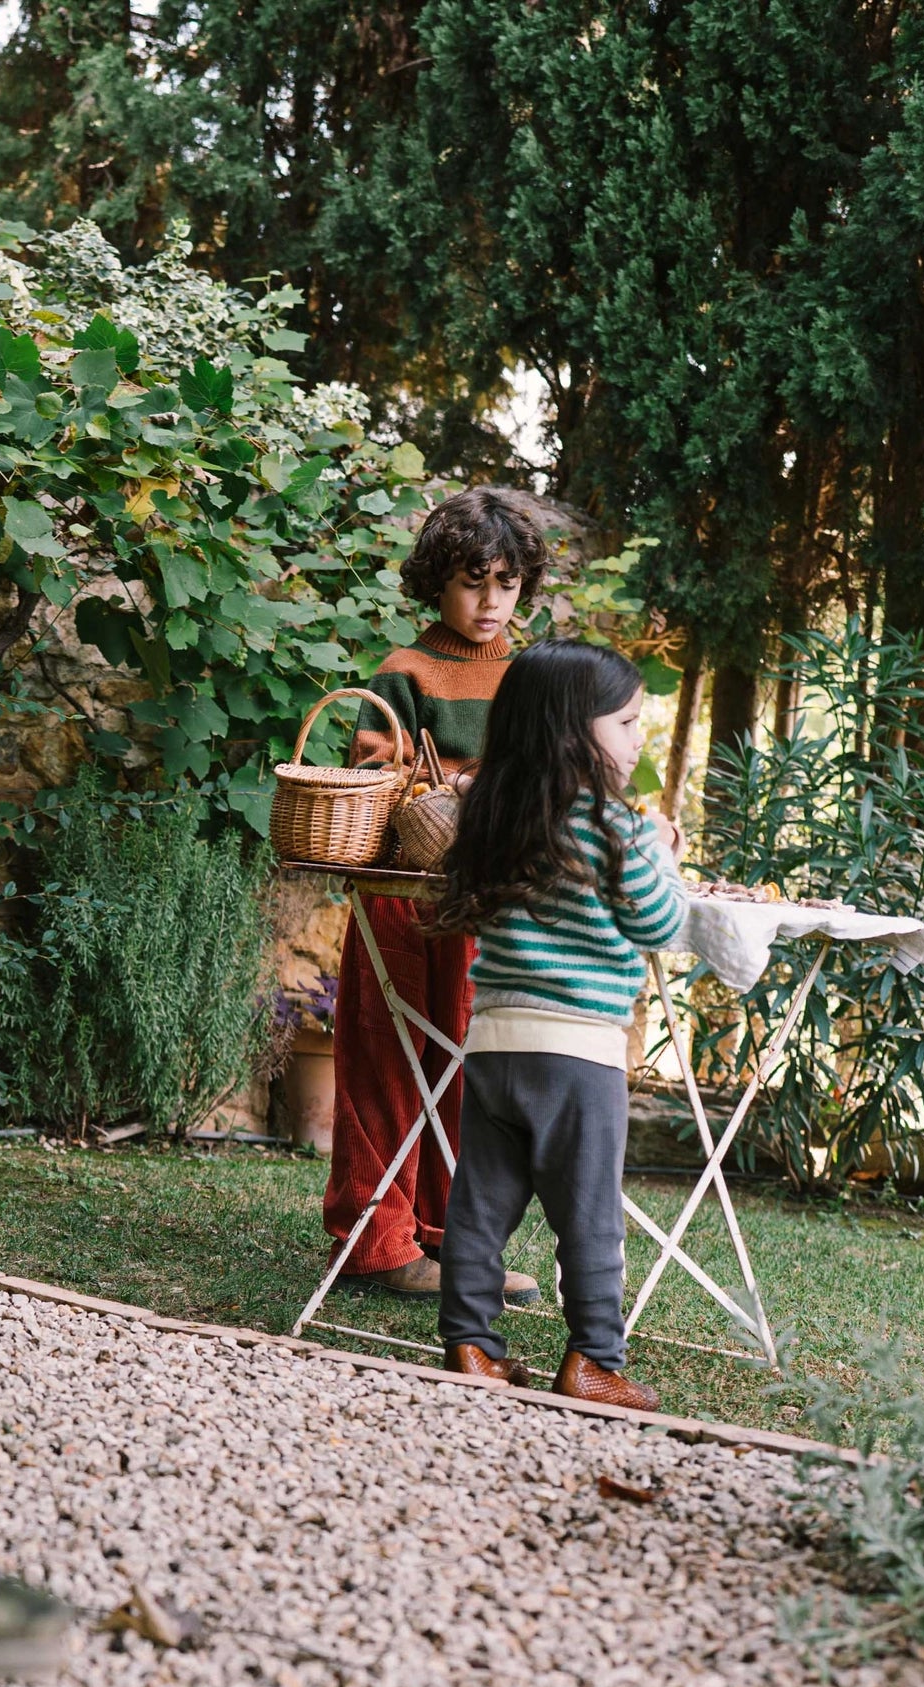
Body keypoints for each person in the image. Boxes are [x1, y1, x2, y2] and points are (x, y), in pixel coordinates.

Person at [431, 639, 688, 1411]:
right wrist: (664, 854)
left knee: (479, 1207)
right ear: (574, 730)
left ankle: (472, 1345)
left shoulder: (491, 816)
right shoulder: (618, 831)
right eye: (627, 722)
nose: (638, 738)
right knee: (589, 1219)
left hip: (495, 1043)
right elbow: (662, 925)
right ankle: (593, 1361)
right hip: (579, 1054)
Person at [321, 487, 548, 1301]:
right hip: (402, 891)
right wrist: (461, 782)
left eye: (507, 585)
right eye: (471, 583)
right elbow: (375, 777)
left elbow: (546, 773)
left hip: (488, 895)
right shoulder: (404, 671)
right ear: (436, 583)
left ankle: (456, 1236)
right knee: (388, 1056)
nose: (490, 603)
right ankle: (375, 1241)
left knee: (472, 1062)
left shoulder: (531, 674)